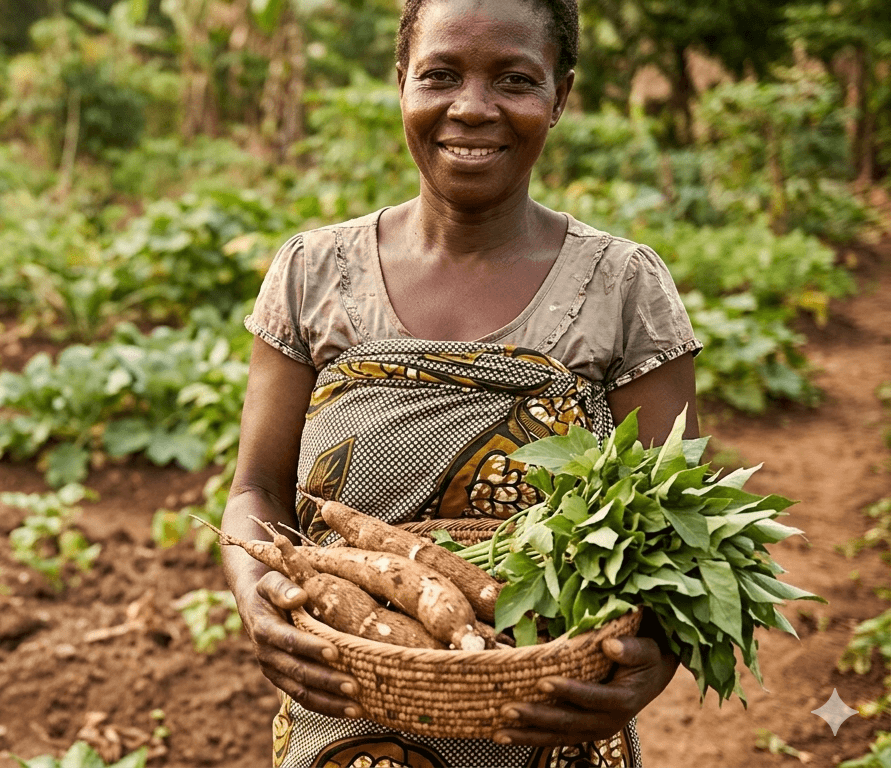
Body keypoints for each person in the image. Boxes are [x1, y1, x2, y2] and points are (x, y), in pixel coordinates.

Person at [220, 0, 703, 766]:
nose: (472, 108)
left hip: (550, 722)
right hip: (345, 717)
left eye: (514, 79)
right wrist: (257, 594)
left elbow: (679, 529)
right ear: (402, 84)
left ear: (561, 97)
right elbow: (257, 491)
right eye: (440, 74)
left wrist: (657, 657)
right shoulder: (314, 273)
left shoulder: (622, 287)